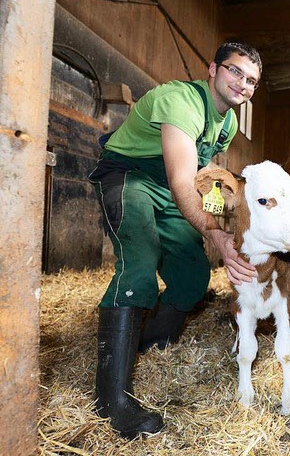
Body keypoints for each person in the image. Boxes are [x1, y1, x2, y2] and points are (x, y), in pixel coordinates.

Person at [88, 42, 261, 439]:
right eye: (235, 72)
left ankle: (146, 341)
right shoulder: (181, 101)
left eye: (251, 81)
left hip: (171, 189)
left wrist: (227, 219)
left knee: (191, 276)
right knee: (140, 261)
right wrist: (215, 234)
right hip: (130, 177)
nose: (243, 84)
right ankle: (111, 401)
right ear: (213, 69)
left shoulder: (228, 123)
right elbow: (183, 182)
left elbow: (201, 176)